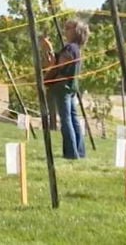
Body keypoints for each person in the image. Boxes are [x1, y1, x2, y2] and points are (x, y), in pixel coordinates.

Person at [43, 19, 89, 160]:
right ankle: (79, 152)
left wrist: (49, 50)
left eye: (68, 28)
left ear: (76, 32)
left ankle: (70, 153)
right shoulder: (76, 49)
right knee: (73, 118)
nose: (65, 30)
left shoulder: (70, 48)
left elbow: (59, 64)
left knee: (66, 119)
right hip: (71, 87)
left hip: (62, 86)